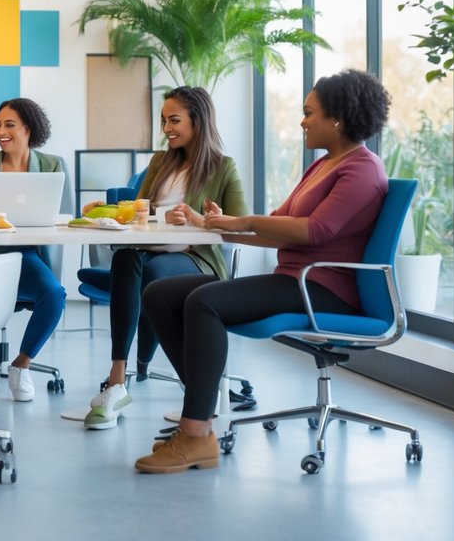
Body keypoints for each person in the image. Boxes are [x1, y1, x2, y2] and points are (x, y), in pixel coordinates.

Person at [134, 69, 391, 474]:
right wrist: (216, 224)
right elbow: (276, 227)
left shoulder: (361, 168)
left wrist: (240, 223)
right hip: (294, 279)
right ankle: (200, 408)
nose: (302, 121)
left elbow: (316, 230)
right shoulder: (322, 166)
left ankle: (196, 431)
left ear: (338, 118)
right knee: (160, 294)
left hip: (324, 288)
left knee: (204, 301)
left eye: (310, 113)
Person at [82, 87, 246, 430]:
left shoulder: (223, 168)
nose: (167, 128)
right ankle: (117, 380)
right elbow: (141, 211)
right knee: (125, 259)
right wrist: (114, 210)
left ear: (198, 122)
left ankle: (195, 385)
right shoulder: (161, 161)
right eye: (163, 120)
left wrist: (209, 218)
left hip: (194, 258)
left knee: (151, 274)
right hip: (149, 249)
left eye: (174, 120)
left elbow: (242, 224)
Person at [0, 98, 70, 402]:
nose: (1, 131)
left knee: (54, 294)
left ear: (28, 128)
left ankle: (21, 364)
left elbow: (57, 219)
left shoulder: (51, 165)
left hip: (26, 256)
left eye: (9, 125)